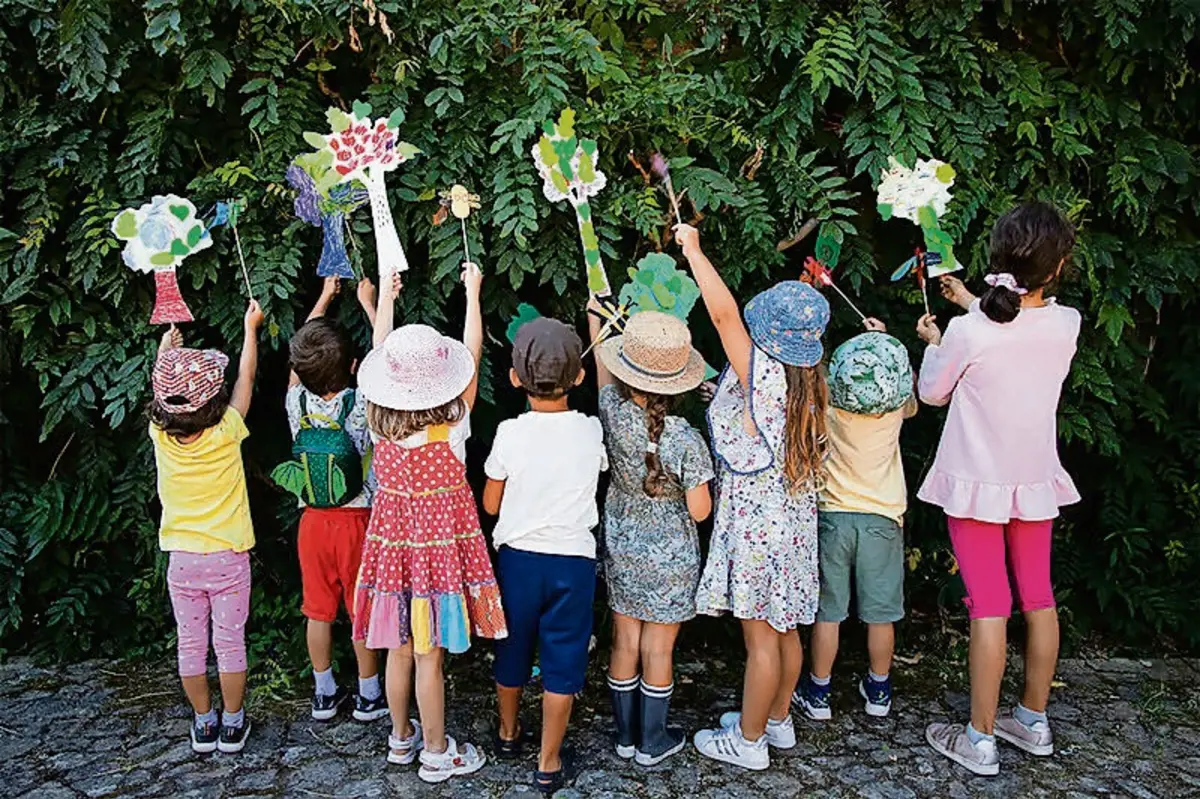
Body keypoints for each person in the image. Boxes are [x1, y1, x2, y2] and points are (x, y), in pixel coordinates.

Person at [916, 202, 1081, 777]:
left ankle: (978, 738)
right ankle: (1032, 720)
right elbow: (1016, 330)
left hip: (976, 487)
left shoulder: (968, 333)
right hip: (1033, 482)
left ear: (997, 259)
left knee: (989, 606)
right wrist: (966, 307)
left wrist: (938, 339)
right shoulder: (1067, 325)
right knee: (1038, 597)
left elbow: (935, 391)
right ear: (1057, 268)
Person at [678, 223, 830, 772]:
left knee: (760, 641)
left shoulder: (762, 370)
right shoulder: (811, 381)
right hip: (793, 529)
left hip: (757, 528)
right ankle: (777, 719)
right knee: (786, 628)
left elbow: (722, 316)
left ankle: (748, 741)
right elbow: (756, 418)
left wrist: (694, 251)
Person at [353, 265, 507, 782]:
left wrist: (385, 303)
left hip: (394, 554)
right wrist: (473, 295)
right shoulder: (453, 421)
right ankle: (438, 752)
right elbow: (473, 352)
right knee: (428, 659)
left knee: (397, 649)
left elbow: (379, 353)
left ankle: (401, 739)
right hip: (436, 560)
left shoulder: (376, 419)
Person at [483, 316, 608, 794]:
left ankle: (509, 733)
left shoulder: (510, 433)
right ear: (579, 377)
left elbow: (492, 504)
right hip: (573, 562)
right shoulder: (590, 430)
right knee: (563, 659)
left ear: (515, 378)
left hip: (518, 560)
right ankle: (549, 761)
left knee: (511, 647)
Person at [588, 308, 714, 767]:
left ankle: (624, 735)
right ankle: (652, 741)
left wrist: (597, 320)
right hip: (671, 557)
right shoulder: (685, 438)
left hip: (621, 543)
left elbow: (603, 371)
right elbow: (700, 512)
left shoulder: (612, 413)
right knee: (658, 648)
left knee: (625, 642)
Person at [149, 299, 264, 755]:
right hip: (228, 557)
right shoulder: (227, 430)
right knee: (230, 642)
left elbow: (166, 396)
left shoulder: (161, 436)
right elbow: (247, 379)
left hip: (182, 561)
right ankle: (233, 724)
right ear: (212, 399)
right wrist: (249, 330)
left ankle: (203, 722)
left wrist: (165, 354)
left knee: (191, 644)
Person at [794, 321, 916, 721]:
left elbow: (819, 377)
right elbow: (905, 386)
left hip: (833, 516)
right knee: (881, 614)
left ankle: (819, 690)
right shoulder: (896, 408)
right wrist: (881, 338)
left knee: (828, 612)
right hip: (881, 518)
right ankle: (878, 689)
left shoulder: (828, 403)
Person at [284, 276, 387, 722]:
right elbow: (382, 356)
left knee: (318, 610)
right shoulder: (362, 402)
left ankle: (324, 692)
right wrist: (370, 303)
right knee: (359, 608)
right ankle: (368, 694)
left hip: (313, 522)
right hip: (358, 519)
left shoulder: (296, 403)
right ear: (353, 366)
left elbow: (299, 357)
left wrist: (323, 297)